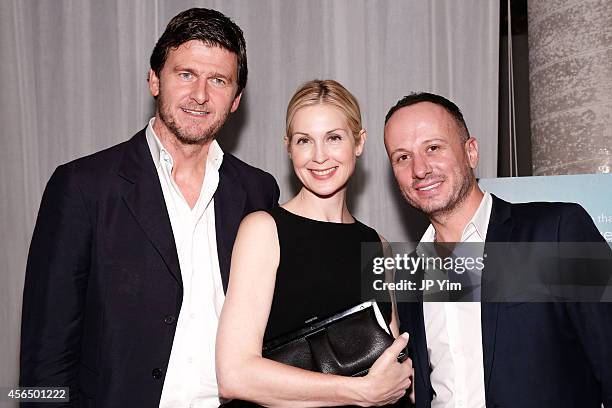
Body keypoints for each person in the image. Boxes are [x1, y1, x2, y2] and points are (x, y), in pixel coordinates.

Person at [20, 8, 279, 407]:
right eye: (186, 74)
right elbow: (44, 354)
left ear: (236, 100)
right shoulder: (82, 187)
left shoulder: (257, 192)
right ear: (154, 80)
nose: (200, 95)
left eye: (218, 80)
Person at [383, 92, 612, 407]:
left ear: (471, 152)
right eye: (402, 157)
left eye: (433, 148)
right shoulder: (407, 274)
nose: (419, 169)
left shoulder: (558, 231)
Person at [216, 79, 413, 407]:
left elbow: (391, 362)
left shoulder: (375, 244)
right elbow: (234, 374)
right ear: (288, 147)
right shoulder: (264, 230)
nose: (319, 156)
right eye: (304, 140)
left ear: (359, 142)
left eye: (334, 138)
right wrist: (358, 391)